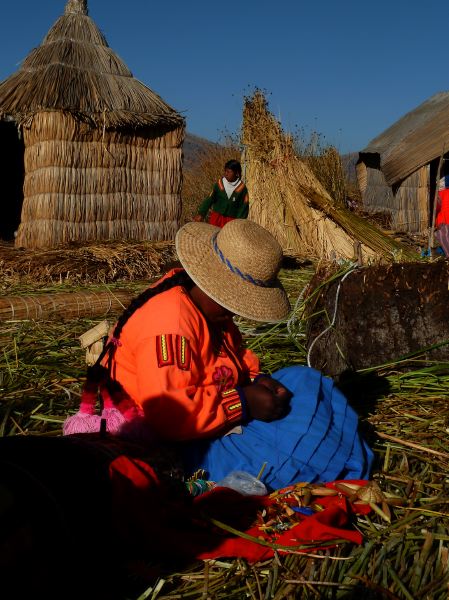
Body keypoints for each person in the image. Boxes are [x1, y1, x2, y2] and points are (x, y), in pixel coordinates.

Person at [64, 219, 373, 490]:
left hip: (211, 409)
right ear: (215, 287)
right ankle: (330, 454)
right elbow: (172, 414)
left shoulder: (208, 308)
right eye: (234, 304)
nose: (235, 315)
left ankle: (327, 444)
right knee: (291, 444)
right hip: (170, 439)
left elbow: (232, 354)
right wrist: (243, 401)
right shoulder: (170, 326)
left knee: (305, 379)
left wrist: (256, 378)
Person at [194, 159, 249, 227]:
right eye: (225, 171)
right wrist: (201, 213)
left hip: (231, 222)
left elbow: (244, 207)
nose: (226, 174)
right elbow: (210, 199)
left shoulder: (242, 188)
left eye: (229, 172)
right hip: (216, 219)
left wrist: (238, 223)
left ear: (236, 173)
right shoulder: (219, 184)